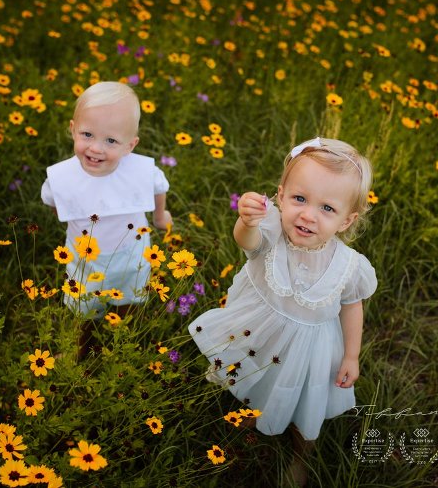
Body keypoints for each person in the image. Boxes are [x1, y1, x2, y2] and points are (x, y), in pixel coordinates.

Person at [189, 137, 377, 485]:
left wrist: (351, 355)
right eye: (299, 199)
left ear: (347, 221)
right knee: (250, 377)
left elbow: (352, 307)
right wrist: (246, 221)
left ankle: (299, 456)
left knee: (304, 406)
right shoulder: (272, 230)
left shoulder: (350, 266)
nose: (307, 214)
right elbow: (246, 242)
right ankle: (246, 414)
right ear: (280, 195)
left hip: (309, 351)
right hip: (256, 333)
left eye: (327, 209)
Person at [41, 82, 172, 336]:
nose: (96, 148)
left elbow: (159, 187)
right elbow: (53, 201)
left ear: (130, 146)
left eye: (111, 140)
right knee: (84, 309)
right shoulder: (62, 178)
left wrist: (159, 216)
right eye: (87, 134)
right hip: (84, 259)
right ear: (73, 129)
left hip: (132, 254)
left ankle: (122, 337)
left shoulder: (141, 172)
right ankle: (83, 346)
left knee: (130, 300)